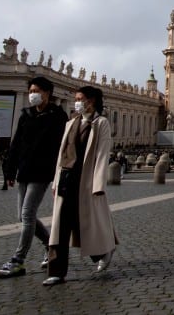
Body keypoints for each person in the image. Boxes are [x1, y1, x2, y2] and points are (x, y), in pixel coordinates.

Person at [44, 86, 119, 286]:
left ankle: (103, 251)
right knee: (60, 226)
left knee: (83, 222)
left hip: (85, 180)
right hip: (66, 179)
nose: (77, 102)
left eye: (80, 98)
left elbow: (103, 154)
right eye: (76, 98)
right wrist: (56, 180)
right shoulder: (70, 123)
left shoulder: (100, 123)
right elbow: (62, 154)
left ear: (91, 101)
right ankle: (56, 271)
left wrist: (98, 184)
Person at [0, 76, 69, 279]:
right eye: (30, 91)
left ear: (47, 93)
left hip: (42, 171)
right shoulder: (26, 115)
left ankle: (18, 260)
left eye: (36, 90)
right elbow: (16, 143)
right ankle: (49, 247)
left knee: (27, 214)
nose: (32, 94)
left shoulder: (57, 116)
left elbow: (61, 147)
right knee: (22, 216)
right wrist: (9, 171)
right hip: (24, 170)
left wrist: (58, 172)